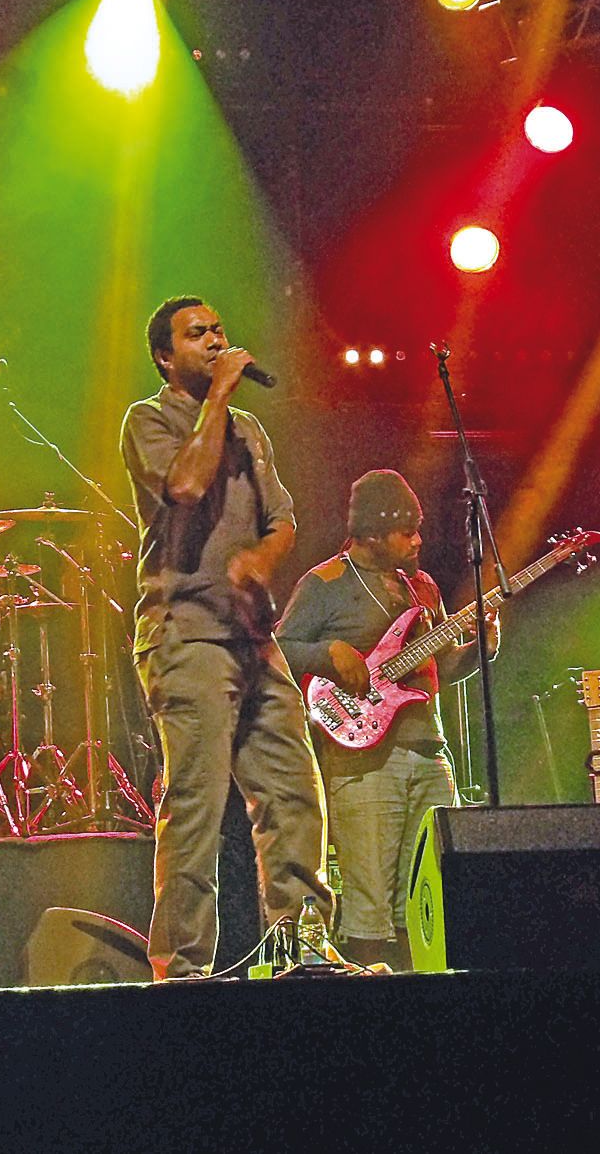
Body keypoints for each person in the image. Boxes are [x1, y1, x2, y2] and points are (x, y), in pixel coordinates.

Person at [120, 295, 330, 978]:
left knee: (292, 792)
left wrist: (262, 561)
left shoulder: (250, 430)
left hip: (253, 635)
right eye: (196, 334)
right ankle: (181, 968)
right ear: (164, 356)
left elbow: (284, 519)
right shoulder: (149, 420)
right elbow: (185, 484)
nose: (215, 341)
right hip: (186, 633)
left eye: (218, 330)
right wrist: (218, 399)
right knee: (197, 805)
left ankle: (298, 947)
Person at [277, 469, 495, 970]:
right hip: (363, 761)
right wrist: (329, 653)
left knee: (428, 901)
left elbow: (440, 669)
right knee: (371, 907)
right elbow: (277, 650)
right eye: (406, 532)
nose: (417, 541)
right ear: (372, 534)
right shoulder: (325, 583)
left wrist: (482, 648)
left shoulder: (422, 586)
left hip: (430, 754)